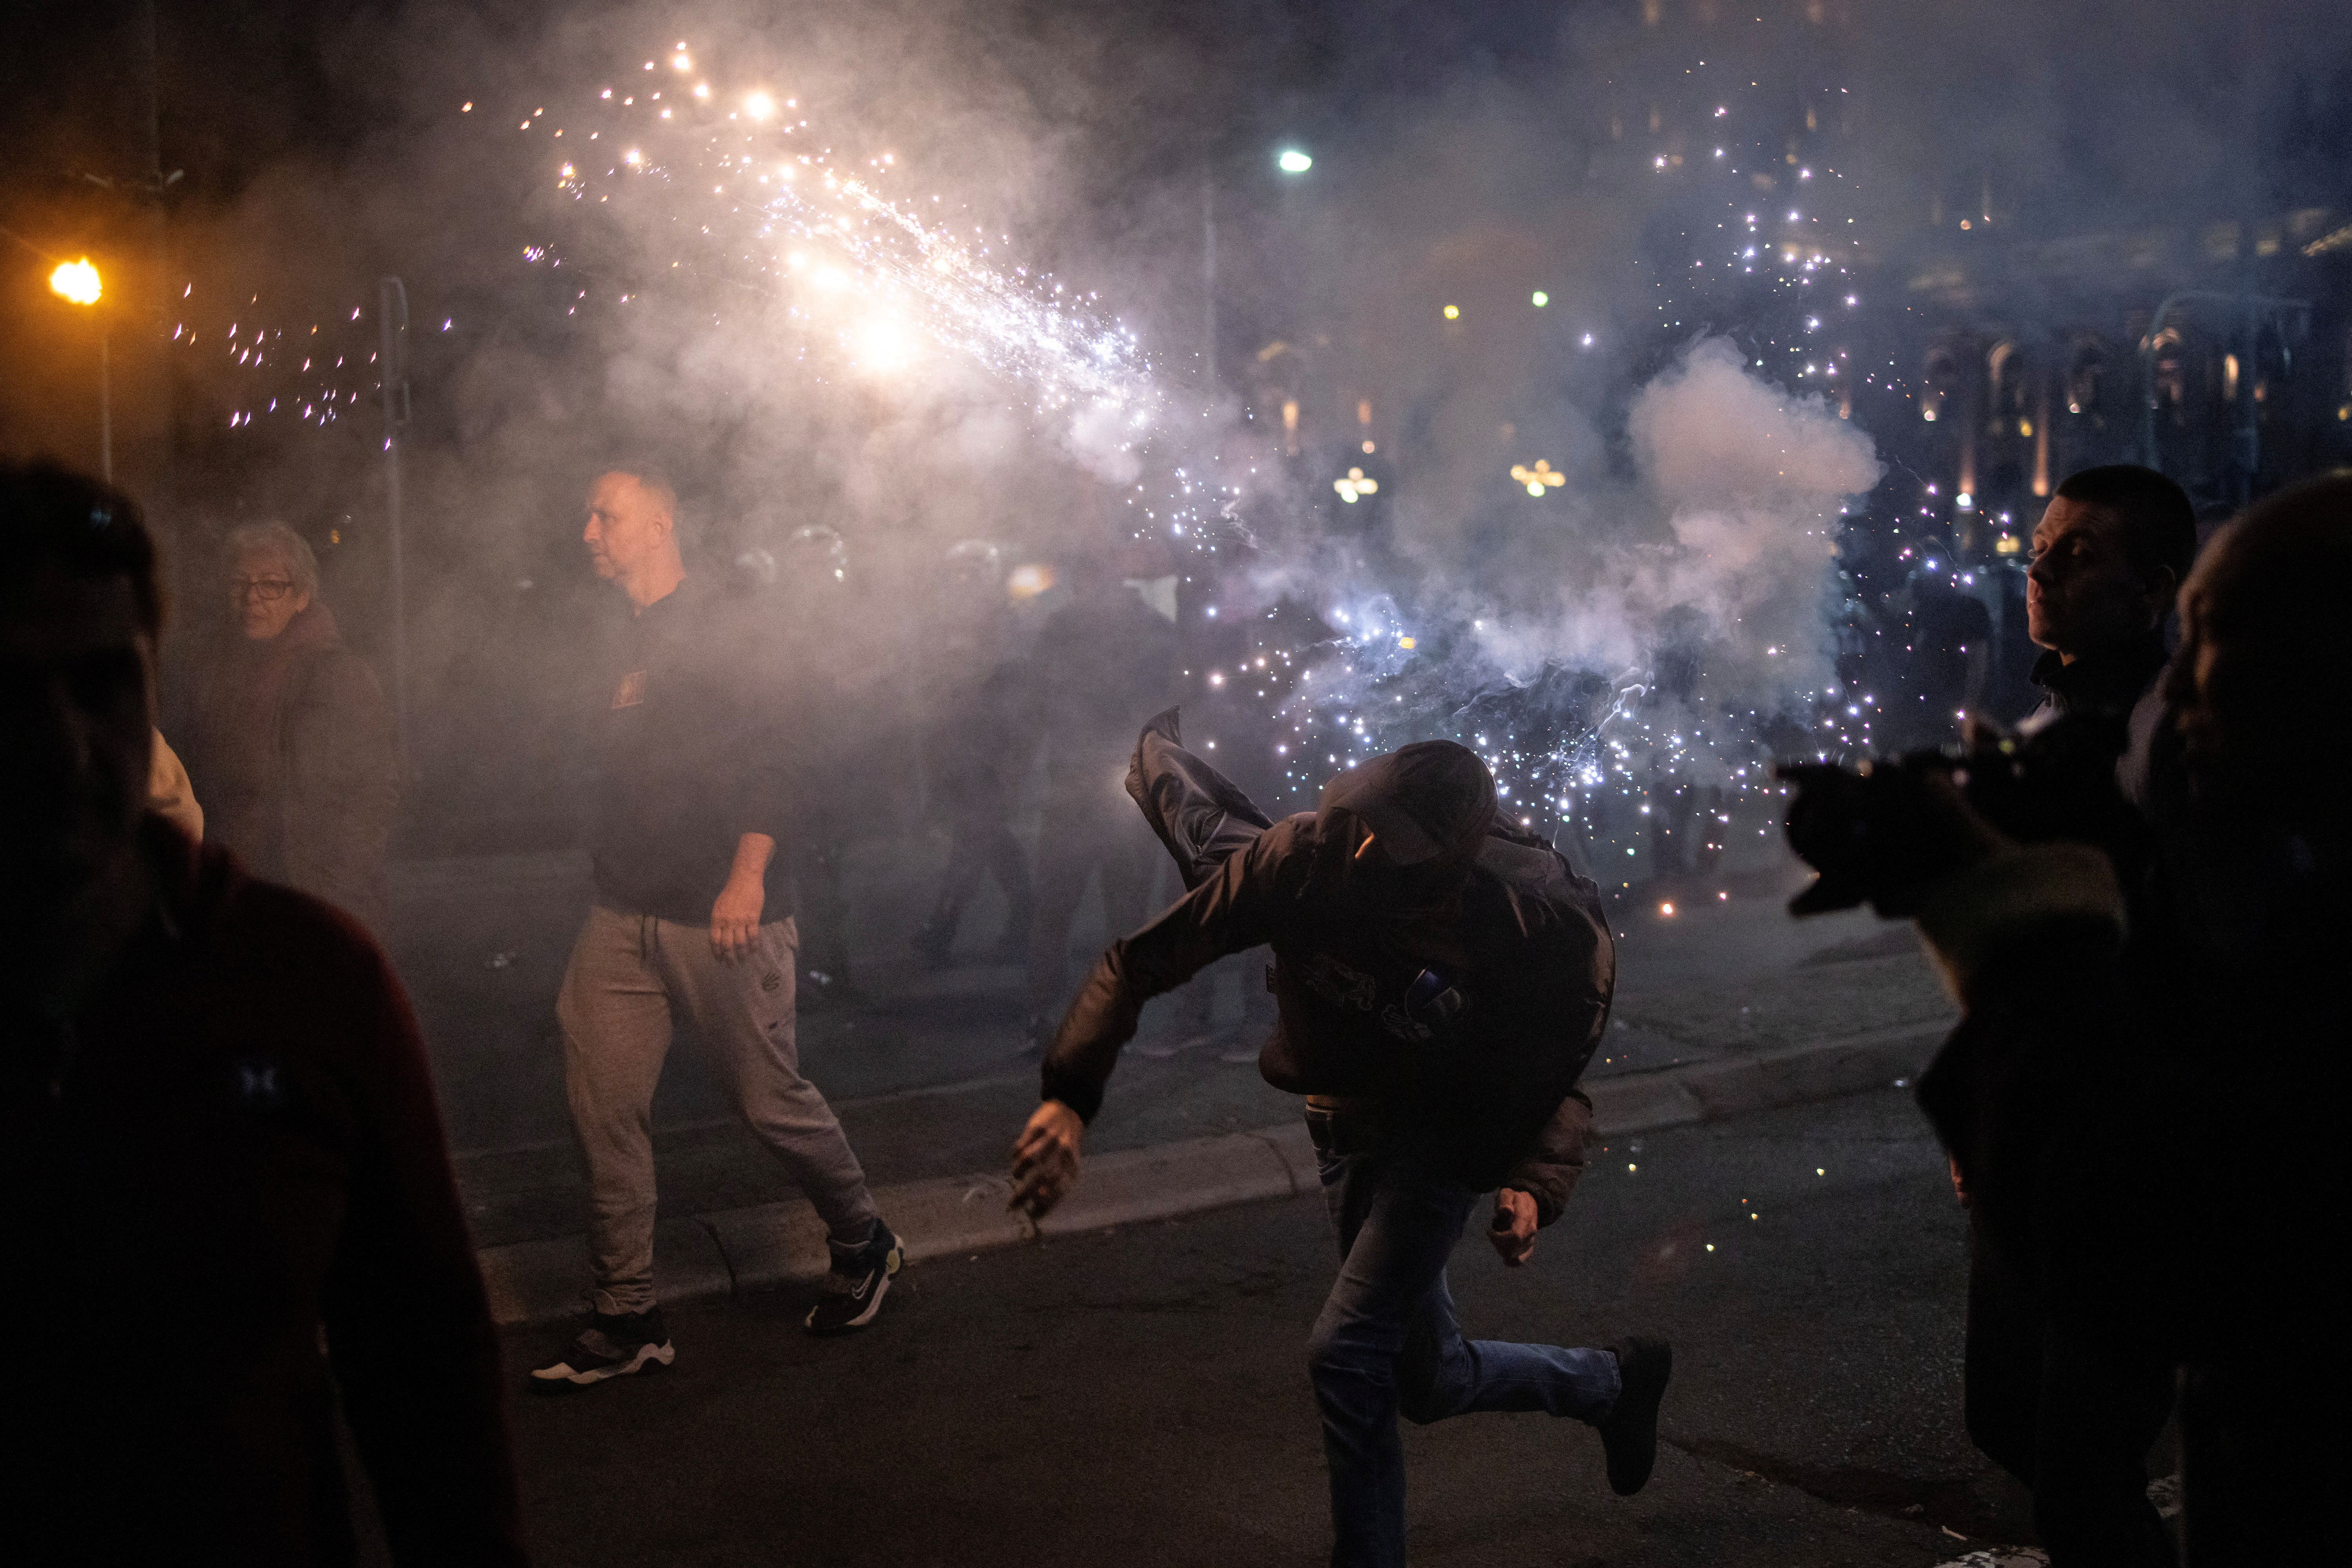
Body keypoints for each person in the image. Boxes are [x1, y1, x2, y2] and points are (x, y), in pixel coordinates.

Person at [2, 462, 524, 1564]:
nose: (60, 747)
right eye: (6, 690)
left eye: (102, 684)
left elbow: (423, 1366)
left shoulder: (308, 984)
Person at [1010, 712, 1671, 1568]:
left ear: (1447, 869)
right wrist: (1068, 1097)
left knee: (1347, 1351)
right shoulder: (1300, 857)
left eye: (1388, 847)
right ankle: (1613, 1383)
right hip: (1340, 1123)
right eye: (1359, 822)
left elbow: (1551, 1058)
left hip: (1440, 1136)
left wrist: (1531, 1173)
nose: (1358, 853)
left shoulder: (1530, 920)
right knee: (1424, 1378)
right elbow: (1144, 953)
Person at [532, 467, 902, 1390]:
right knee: (602, 1109)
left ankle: (865, 1240)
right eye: (588, 515)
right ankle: (627, 1314)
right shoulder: (616, 637)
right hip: (622, 915)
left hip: (726, 915)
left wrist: (747, 874)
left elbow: (778, 755)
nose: (587, 531)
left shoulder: (731, 624)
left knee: (766, 1101)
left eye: (604, 514)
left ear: (657, 523)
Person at [182, 519, 400, 931]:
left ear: (301, 596)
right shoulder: (214, 674)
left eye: (271, 585)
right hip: (238, 893)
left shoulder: (338, 676)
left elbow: (373, 792)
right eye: (240, 584)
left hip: (318, 896)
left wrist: (336, 889)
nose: (252, 598)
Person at [1019, 552, 1180, 1045]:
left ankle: (1099, 1014)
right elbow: (1038, 699)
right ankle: (1052, 1013)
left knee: (1108, 907)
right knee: (1067, 906)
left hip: (1114, 781)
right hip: (1084, 780)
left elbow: (1167, 701)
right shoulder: (1065, 627)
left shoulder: (1145, 629)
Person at [911, 541, 1034, 967]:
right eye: (958, 574)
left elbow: (1017, 694)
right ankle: (1026, 916)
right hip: (958, 744)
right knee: (990, 839)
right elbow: (935, 687)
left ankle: (943, 926)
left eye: (973, 574)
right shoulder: (947, 624)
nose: (963, 583)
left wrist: (1014, 761)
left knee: (975, 836)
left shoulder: (1007, 623)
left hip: (992, 749)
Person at [2020, 465, 2196, 731]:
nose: (2037, 571)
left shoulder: (2178, 730)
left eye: (2078, 555)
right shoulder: (2048, 714)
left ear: (2153, 589)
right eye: (2039, 549)